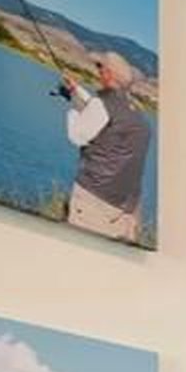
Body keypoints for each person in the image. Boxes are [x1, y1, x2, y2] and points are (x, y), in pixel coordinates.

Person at [61, 51, 153, 243]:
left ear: (109, 74)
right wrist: (76, 92)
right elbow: (105, 116)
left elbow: (77, 135)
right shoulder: (139, 118)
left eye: (100, 67)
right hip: (124, 211)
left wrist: (71, 109)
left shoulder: (102, 105)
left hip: (93, 202)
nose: (98, 71)